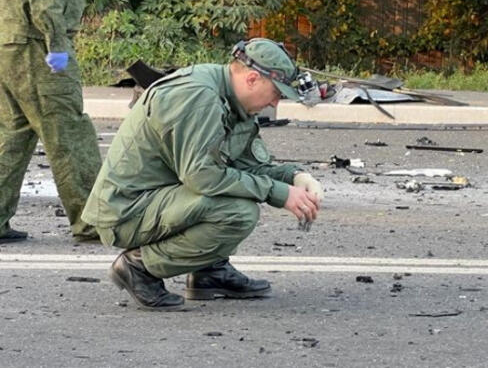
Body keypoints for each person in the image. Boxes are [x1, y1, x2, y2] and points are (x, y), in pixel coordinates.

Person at [81, 38, 325, 311]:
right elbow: (203, 176)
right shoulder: (200, 97)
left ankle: (209, 271)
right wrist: (277, 193)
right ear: (253, 79)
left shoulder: (233, 99)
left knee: (235, 194)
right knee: (237, 212)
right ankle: (139, 267)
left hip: (159, 199)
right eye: (276, 92)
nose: (275, 102)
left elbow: (245, 165)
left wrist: (295, 178)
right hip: (126, 211)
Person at [0, 0, 130, 243]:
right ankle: (95, 221)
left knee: (14, 132)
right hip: (37, 42)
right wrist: (56, 42)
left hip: (14, 39)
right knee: (69, 129)